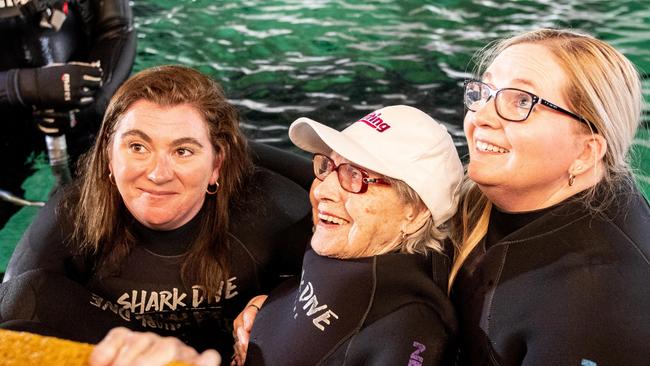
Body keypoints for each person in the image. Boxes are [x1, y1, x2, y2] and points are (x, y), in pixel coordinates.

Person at [88, 105, 464, 366]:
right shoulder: (351, 252)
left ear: (415, 213)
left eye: (356, 177)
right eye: (328, 167)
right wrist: (266, 310)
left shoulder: (408, 333)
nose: (322, 191)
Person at [0, 65, 312, 361]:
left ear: (216, 165)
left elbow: (346, 282)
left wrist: (278, 304)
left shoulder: (271, 210)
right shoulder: (68, 224)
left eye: (183, 151)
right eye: (138, 147)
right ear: (109, 157)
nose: (157, 174)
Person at [449, 28, 650, 365]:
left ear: (586, 151)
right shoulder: (501, 196)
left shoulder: (597, 301)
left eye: (522, 101)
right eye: (485, 92)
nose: (480, 118)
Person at [0, 0, 136, 224]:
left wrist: (93, 101)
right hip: (5, 128)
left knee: (110, 215)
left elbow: (117, 28)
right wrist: (23, 86)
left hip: (76, 108)